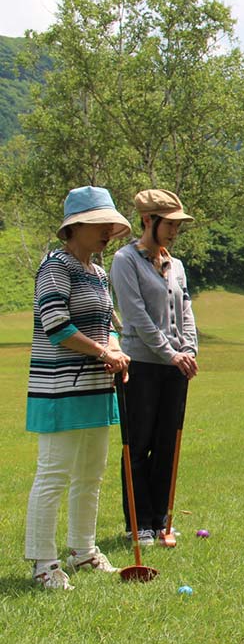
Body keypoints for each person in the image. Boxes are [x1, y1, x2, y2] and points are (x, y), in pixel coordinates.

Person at [24, 186, 132, 590]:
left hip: (95, 388)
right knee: (54, 473)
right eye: (100, 224)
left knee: (91, 473)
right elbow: (56, 326)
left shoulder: (98, 273)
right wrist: (105, 354)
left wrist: (116, 349)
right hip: (59, 388)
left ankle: (84, 550)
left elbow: (108, 324)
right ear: (76, 227)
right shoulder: (55, 267)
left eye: (111, 225)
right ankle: (43, 562)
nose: (108, 232)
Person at [110, 189, 198, 545]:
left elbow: (186, 311)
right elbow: (136, 317)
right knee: (139, 443)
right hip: (142, 365)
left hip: (176, 366)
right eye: (170, 223)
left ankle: (162, 519)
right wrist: (170, 353)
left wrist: (189, 349)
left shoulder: (175, 265)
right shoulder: (124, 260)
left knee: (167, 444)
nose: (175, 230)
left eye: (178, 224)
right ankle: (138, 522)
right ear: (149, 220)